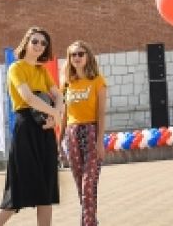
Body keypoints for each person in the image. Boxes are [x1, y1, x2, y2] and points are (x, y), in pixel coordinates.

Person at [0, 27, 63, 226]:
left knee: (46, 190)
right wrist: (55, 113)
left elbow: (58, 95)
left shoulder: (42, 70)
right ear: (26, 43)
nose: (39, 46)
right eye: (35, 41)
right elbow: (28, 97)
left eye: (43, 43)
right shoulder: (16, 68)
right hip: (25, 129)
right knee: (17, 191)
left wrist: (55, 114)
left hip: (45, 128)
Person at [62, 40, 107, 226]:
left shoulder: (97, 81)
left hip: (91, 131)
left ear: (88, 56)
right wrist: (59, 141)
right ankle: (90, 222)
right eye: (73, 55)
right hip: (71, 134)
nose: (77, 58)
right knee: (80, 186)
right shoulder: (67, 83)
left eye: (81, 54)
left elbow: (101, 113)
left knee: (88, 184)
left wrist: (99, 141)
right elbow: (64, 113)